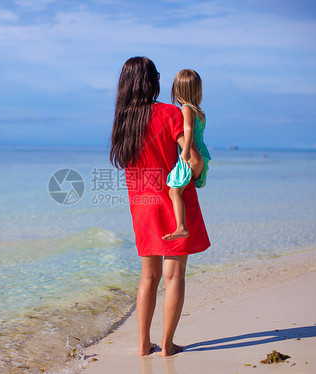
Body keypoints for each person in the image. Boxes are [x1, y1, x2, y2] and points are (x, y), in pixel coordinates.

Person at [110, 57, 210, 357]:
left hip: (142, 203)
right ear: (151, 81)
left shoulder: (124, 120)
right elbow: (192, 159)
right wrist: (199, 171)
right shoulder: (169, 113)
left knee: (148, 277)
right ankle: (167, 345)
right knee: (174, 275)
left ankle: (143, 343)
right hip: (172, 200)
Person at [162, 69, 211, 241]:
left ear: (177, 90)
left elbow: (188, 129)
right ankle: (182, 226)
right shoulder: (200, 111)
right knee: (185, 188)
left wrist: (185, 150)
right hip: (202, 156)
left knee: (174, 191)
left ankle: (181, 227)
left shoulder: (186, 108)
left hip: (191, 155)